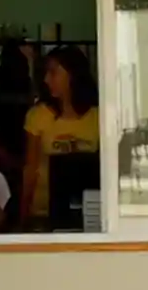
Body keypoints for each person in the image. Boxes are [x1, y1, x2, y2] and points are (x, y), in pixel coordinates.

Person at [20, 45, 100, 229]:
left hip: (88, 211)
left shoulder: (98, 117)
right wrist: (23, 217)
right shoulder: (38, 115)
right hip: (43, 214)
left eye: (53, 72)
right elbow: (30, 169)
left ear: (73, 75)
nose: (47, 79)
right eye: (46, 73)